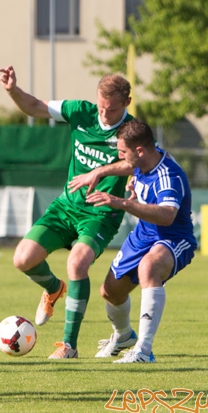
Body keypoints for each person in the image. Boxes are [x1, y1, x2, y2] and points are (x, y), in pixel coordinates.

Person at [0, 65, 133, 359]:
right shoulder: (80, 111)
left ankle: (68, 345)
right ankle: (53, 288)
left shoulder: (130, 131)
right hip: (65, 207)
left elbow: (139, 161)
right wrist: (13, 91)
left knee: (77, 265)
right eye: (101, 106)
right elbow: (35, 107)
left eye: (110, 109)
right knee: (22, 259)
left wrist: (100, 171)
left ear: (126, 104)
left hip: (99, 215)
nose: (104, 114)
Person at [82, 120, 196, 363]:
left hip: (173, 237)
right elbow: (127, 166)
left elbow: (167, 215)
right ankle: (123, 336)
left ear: (140, 150)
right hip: (143, 235)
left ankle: (143, 350)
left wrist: (122, 202)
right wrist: (99, 171)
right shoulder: (143, 161)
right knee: (109, 292)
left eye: (123, 151)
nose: (119, 155)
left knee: (149, 267)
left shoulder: (169, 175)